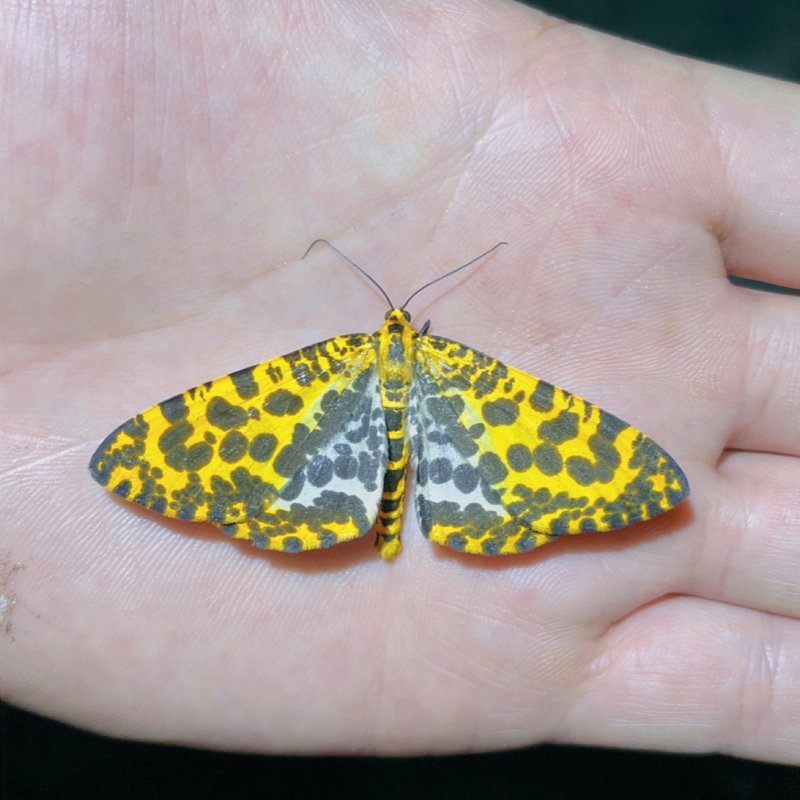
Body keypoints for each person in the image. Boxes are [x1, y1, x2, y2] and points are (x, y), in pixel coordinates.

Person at [1, 0, 798, 765]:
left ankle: (370, 513)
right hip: (443, 442)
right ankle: (430, 513)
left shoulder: (314, 372)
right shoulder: (458, 370)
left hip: (329, 463)